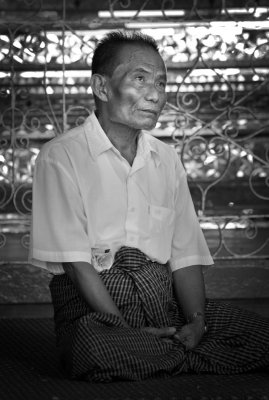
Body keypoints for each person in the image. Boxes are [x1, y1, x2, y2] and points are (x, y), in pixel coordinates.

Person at [29, 31, 269, 382]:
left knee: (260, 335)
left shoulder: (166, 159)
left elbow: (184, 255)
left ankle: (168, 353)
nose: (155, 95)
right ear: (102, 88)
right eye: (139, 79)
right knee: (95, 346)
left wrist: (197, 323)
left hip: (163, 305)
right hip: (95, 311)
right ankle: (181, 356)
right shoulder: (60, 156)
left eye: (161, 82)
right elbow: (77, 264)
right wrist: (125, 330)